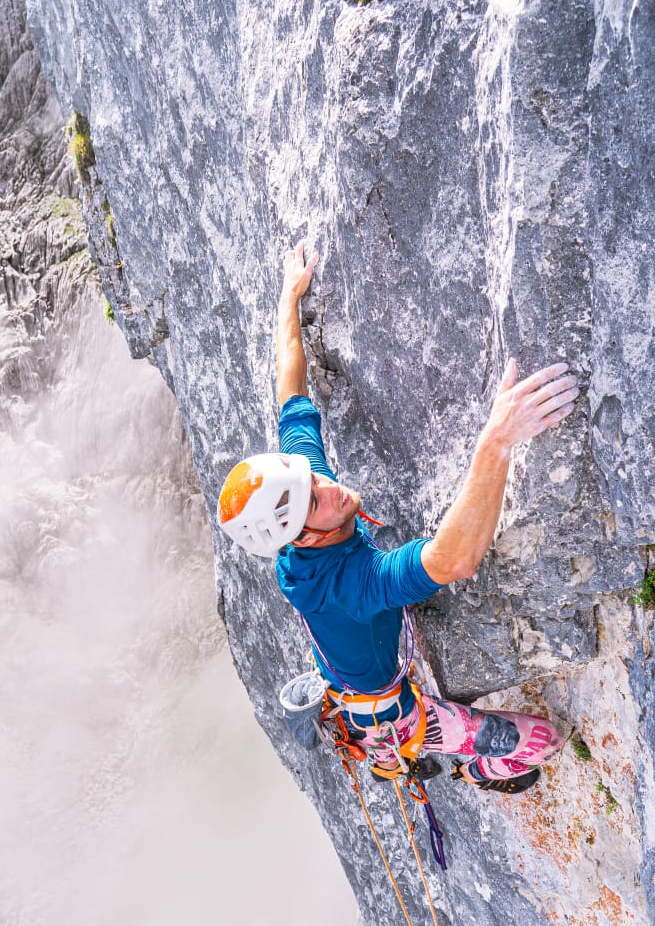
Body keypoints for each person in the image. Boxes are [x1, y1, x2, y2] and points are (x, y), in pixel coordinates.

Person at [217, 241, 580, 792]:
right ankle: (475, 767)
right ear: (305, 538)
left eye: (311, 477)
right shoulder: (348, 585)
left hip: (352, 668)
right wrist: (498, 440)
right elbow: (454, 559)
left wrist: (289, 296)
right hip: (391, 714)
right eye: (316, 496)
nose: (329, 485)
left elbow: (289, 391)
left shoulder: (304, 499)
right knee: (540, 743)